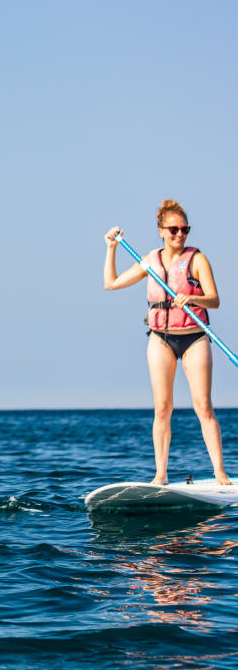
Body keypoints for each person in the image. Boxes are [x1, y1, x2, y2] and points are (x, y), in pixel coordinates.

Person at [103, 199, 230, 486]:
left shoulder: (197, 260)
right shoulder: (150, 261)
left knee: (203, 406)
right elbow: (110, 283)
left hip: (194, 338)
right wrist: (111, 248)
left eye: (185, 229)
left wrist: (193, 298)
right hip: (160, 339)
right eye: (173, 229)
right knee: (162, 408)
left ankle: (219, 471)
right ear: (161, 230)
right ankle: (161, 474)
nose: (180, 235)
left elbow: (215, 300)